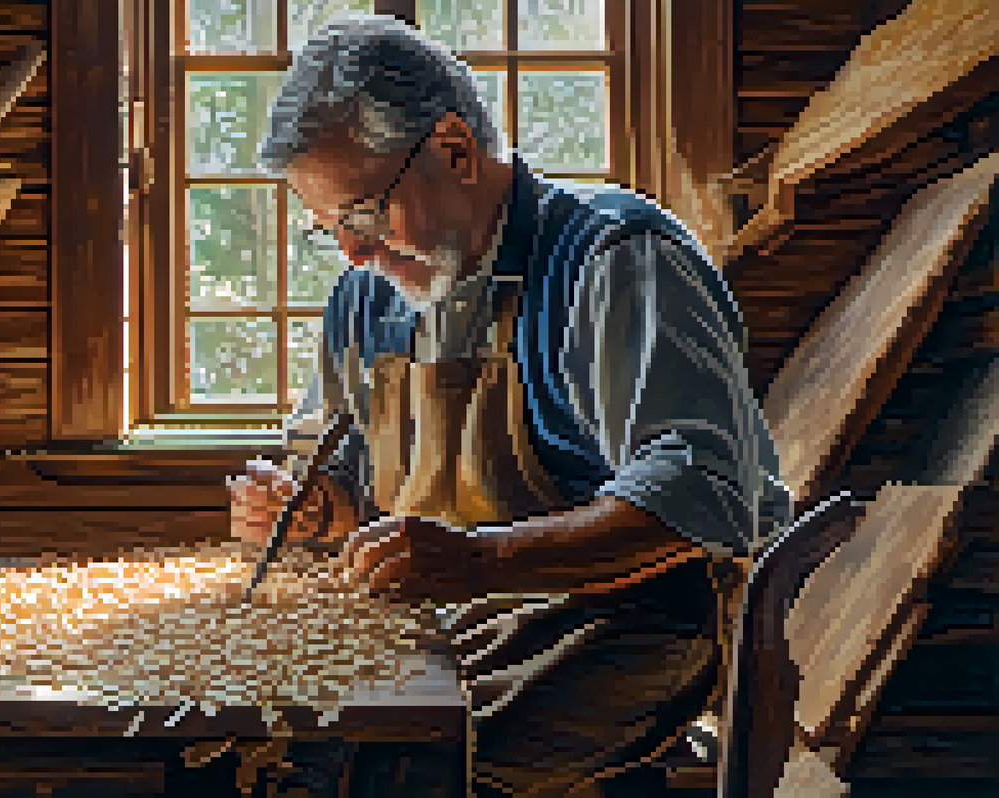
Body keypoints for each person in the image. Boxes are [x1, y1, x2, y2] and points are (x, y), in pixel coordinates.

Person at [226, 14, 793, 798]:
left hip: (618, 624)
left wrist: (482, 560)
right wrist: (321, 509)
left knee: (410, 766)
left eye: (362, 215)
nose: (353, 252)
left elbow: (702, 497)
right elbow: (355, 487)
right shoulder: (366, 295)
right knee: (263, 744)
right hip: (443, 622)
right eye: (329, 230)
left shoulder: (615, 258)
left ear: (453, 150)